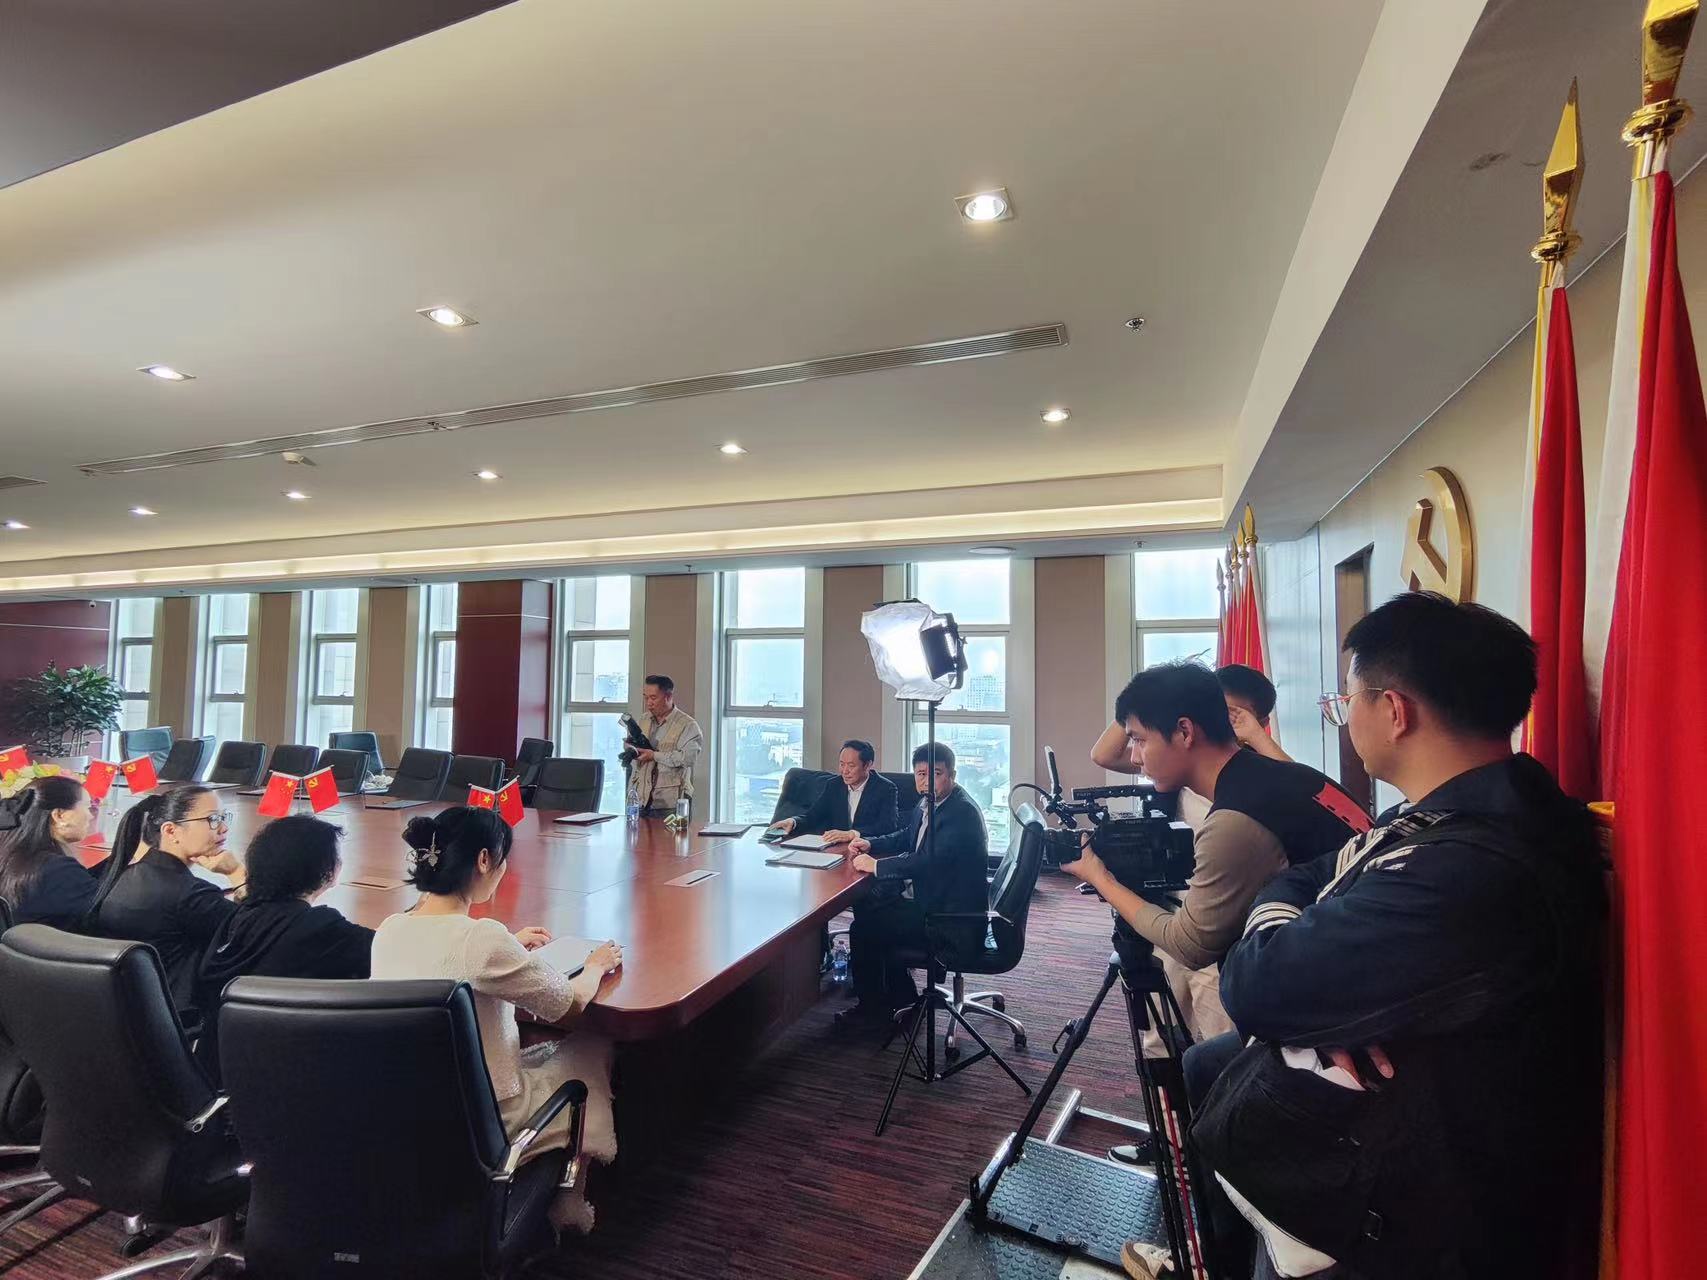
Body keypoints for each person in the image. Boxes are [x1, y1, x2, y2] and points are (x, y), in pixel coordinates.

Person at [1201, 593, 1604, 1280]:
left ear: (1393, 710)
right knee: (1210, 1068)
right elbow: (1308, 875)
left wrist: (1297, 970)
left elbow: (1255, 984)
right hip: (1408, 1157)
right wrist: (1321, 987)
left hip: (1419, 1221)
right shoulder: (1460, 810)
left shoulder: (1468, 867)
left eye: (1346, 699)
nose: (1345, 714)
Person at [371, 805, 623, 1233]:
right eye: (504, 859)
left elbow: (454, 955)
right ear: (484, 860)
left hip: (411, 1110)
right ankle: (569, 1200)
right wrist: (596, 966)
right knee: (592, 1046)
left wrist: (511, 945)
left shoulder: (390, 929)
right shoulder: (484, 940)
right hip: (488, 1116)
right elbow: (570, 1005)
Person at [194, 815, 374, 1079]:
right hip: (289, 1077)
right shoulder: (321, 928)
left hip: (219, 1073)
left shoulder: (237, 918)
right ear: (327, 871)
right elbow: (387, 951)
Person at [836, 743, 989, 1030]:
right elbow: (909, 835)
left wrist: (876, 866)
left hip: (949, 917)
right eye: (920, 774)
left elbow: (927, 861)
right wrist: (871, 843)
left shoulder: (961, 813)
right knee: (872, 907)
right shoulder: (931, 802)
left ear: (952, 775)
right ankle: (901, 996)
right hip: (934, 899)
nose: (926, 781)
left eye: (936, 774)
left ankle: (872, 1010)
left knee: (864, 929)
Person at [90, 785, 247, 1018]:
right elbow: (258, 933)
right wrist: (236, 873)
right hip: (178, 1021)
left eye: (224, 818)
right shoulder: (191, 895)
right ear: (171, 831)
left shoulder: (122, 875)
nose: (223, 828)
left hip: (124, 1015)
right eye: (213, 820)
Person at [0, 775, 100, 930]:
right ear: (59, 815)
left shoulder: (12, 856)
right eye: (87, 807)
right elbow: (112, 912)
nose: (91, 815)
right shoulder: (58, 870)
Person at [766, 739, 900, 843]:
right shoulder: (834, 785)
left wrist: (852, 834)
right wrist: (793, 822)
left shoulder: (885, 788)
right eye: (842, 764)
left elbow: (888, 826)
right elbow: (814, 816)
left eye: (851, 765)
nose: (844, 771)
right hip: (835, 849)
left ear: (867, 765)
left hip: (867, 850)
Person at [630, 674, 703, 817]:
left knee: (670, 834)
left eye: (653, 698)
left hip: (670, 803)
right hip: (641, 800)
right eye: (646, 698)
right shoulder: (644, 719)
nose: (649, 703)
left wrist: (654, 756)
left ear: (668, 697)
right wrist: (631, 749)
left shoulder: (687, 725)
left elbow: (687, 759)